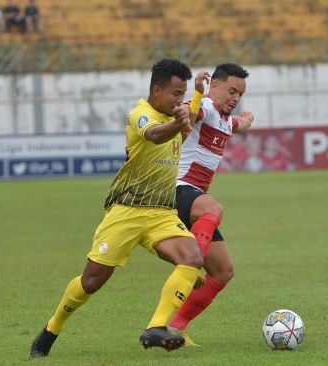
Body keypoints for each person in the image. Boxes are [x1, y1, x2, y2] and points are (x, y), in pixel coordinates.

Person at [30, 58, 205, 357]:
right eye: (176, 93)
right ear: (157, 90)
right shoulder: (141, 114)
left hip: (162, 213)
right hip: (126, 212)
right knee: (91, 282)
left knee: (192, 259)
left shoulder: (173, 117)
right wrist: (179, 121)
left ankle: (156, 328)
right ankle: (51, 329)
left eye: (183, 93)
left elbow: (183, 124)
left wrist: (198, 95)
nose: (180, 99)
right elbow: (153, 134)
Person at [168, 63, 254, 345]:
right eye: (231, 90)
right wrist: (195, 94)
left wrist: (248, 117)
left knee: (223, 271)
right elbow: (190, 114)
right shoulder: (205, 106)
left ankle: (174, 327)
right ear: (213, 85)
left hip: (194, 198)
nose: (236, 97)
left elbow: (240, 124)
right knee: (213, 209)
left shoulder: (227, 120)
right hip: (177, 189)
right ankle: (190, 268)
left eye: (240, 93)